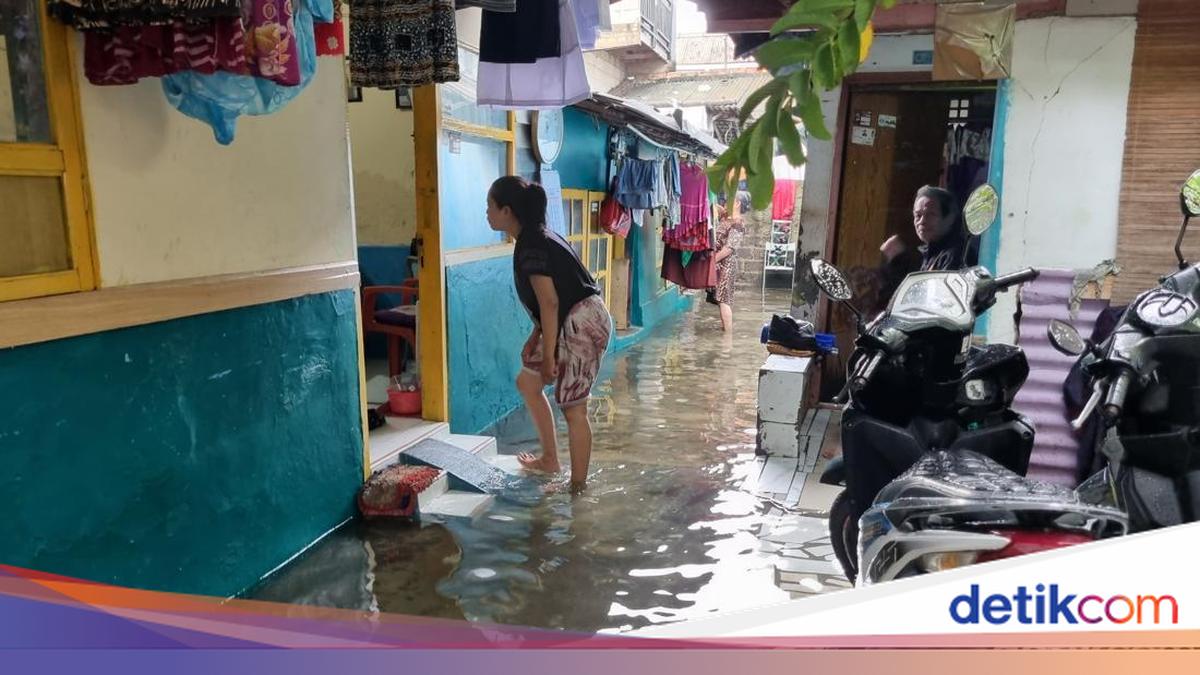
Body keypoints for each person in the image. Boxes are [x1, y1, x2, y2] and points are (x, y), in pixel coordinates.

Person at [486, 176, 613, 494]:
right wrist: (536, 337)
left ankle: (577, 488)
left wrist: (549, 350)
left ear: (507, 211)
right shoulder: (532, 239)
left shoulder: (533, 245)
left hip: (582, 321)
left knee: (574, 408)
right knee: (528, 382)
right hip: (567, 317)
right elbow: (551, 298)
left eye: (490, 207)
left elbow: (550, 300)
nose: (486, 213)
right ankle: (550, 460)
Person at [876, 185, 976, 310]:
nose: (922, 221)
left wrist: (899, 262)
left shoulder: (956, 254)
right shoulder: (929, 255)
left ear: (949, 219)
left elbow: (931, 306)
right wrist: (896, 262)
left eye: (930, 214)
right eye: (918, 215)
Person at [711, 193, 748, 332]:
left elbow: (730, 248)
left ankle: (727, 337)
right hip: (720, 263)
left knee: (724, 299)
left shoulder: (738, 223)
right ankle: (724, 330)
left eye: (729, 200)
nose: (726, 202)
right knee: (720, 298)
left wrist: (713, 260)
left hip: (726, 265)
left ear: (737, 203)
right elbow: (716, 208)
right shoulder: (727, 218)